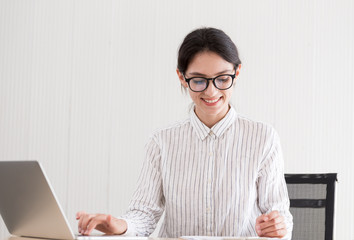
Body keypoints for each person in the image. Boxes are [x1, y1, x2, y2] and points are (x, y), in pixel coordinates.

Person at [76, 27, 293, 239]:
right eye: (198, 80)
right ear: (182, 77)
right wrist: (119, 225)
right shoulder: (162, 142)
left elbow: (280, 213)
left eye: (222, 79)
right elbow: (144, 215)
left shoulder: (263, 137)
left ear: (236, 73)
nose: (211, 91)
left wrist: (278, 226)